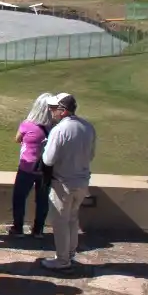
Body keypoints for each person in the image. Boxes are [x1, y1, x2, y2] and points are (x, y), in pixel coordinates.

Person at [40, 93, 97, 271]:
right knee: (72, 219)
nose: (51, 112)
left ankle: (62, 260)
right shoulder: (88, 127)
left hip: (63, 183)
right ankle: (70, 254)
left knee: (60, 222)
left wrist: (45, 145)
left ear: (63, 111)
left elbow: (48, 160)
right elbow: (91, 155)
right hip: (82, 181)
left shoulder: (59, 130)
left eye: (53, 109)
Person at [10, 93, 53, 237]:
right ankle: (38, 230)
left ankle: (18, 228)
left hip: (27, 167)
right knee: (42, 200)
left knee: (19, 197)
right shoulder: (54, 127)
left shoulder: (27, 125)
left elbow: (17, 139)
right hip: (45, 168)